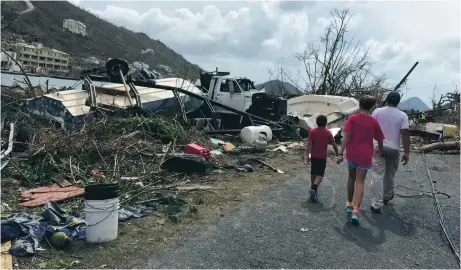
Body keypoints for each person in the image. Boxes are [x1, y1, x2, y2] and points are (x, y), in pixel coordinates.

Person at [336, 95, 384, 225]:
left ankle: (349, 204)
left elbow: (346, 136)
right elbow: (380, 138)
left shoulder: (353, 118)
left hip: (352, 153)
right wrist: (380, 149)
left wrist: (340, 152)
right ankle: (356, 211)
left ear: (359, 105)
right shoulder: (373, 121)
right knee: (360, 181)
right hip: (366, 154)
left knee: (351, 178)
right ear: (371, 107)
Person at [370, 91, 410, 213]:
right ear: (398, 102)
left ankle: (376, 204)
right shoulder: (403, 115)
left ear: (386, 100)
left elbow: (370, 127)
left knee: (377, 175)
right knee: (389, 174)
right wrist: (407, 152)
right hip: (393, 149)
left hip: (377, 146)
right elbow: (405, 134)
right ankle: (386, 196)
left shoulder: (377, 111)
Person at [305, 115, 339, 202]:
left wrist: (307, 156)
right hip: (322, 157)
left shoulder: (312, 131)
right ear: (326, 123)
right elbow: (334, 145)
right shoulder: (328, 133)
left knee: (313, 173)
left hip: (314, 156)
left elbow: (308, 144)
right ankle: (314, 188)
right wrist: (337, 154)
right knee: (320, 174)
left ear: (316, 122)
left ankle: (312, 188)